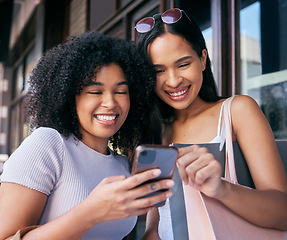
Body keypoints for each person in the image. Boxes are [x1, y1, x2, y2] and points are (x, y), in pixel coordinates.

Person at [0, 31, 174, 240]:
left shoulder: (121, 165)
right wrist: (90, 213)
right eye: (95, 92)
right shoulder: (48, 145)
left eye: (120, 91)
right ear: (68, 96)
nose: (110, 103)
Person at [135, 8, 287, 239]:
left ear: (203, 59)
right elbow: (156, 223)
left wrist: (223, 189)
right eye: (158, 71)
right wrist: (149, 232)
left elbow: (282, 212)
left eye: (183, 64)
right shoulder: (156, 131)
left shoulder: (237, 111)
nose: (174, 81)